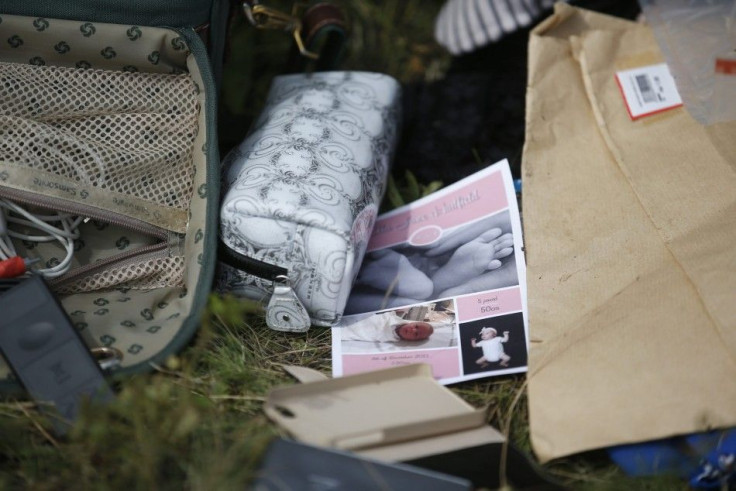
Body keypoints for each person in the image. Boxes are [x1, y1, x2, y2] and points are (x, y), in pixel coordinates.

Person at [339, 310, 451, 344]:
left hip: (341, 331)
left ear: (413, 340)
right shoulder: (390, 315)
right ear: (412, 322)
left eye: (416, 334)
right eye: (416, 326)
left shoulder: (390, 340)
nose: (413, 330)